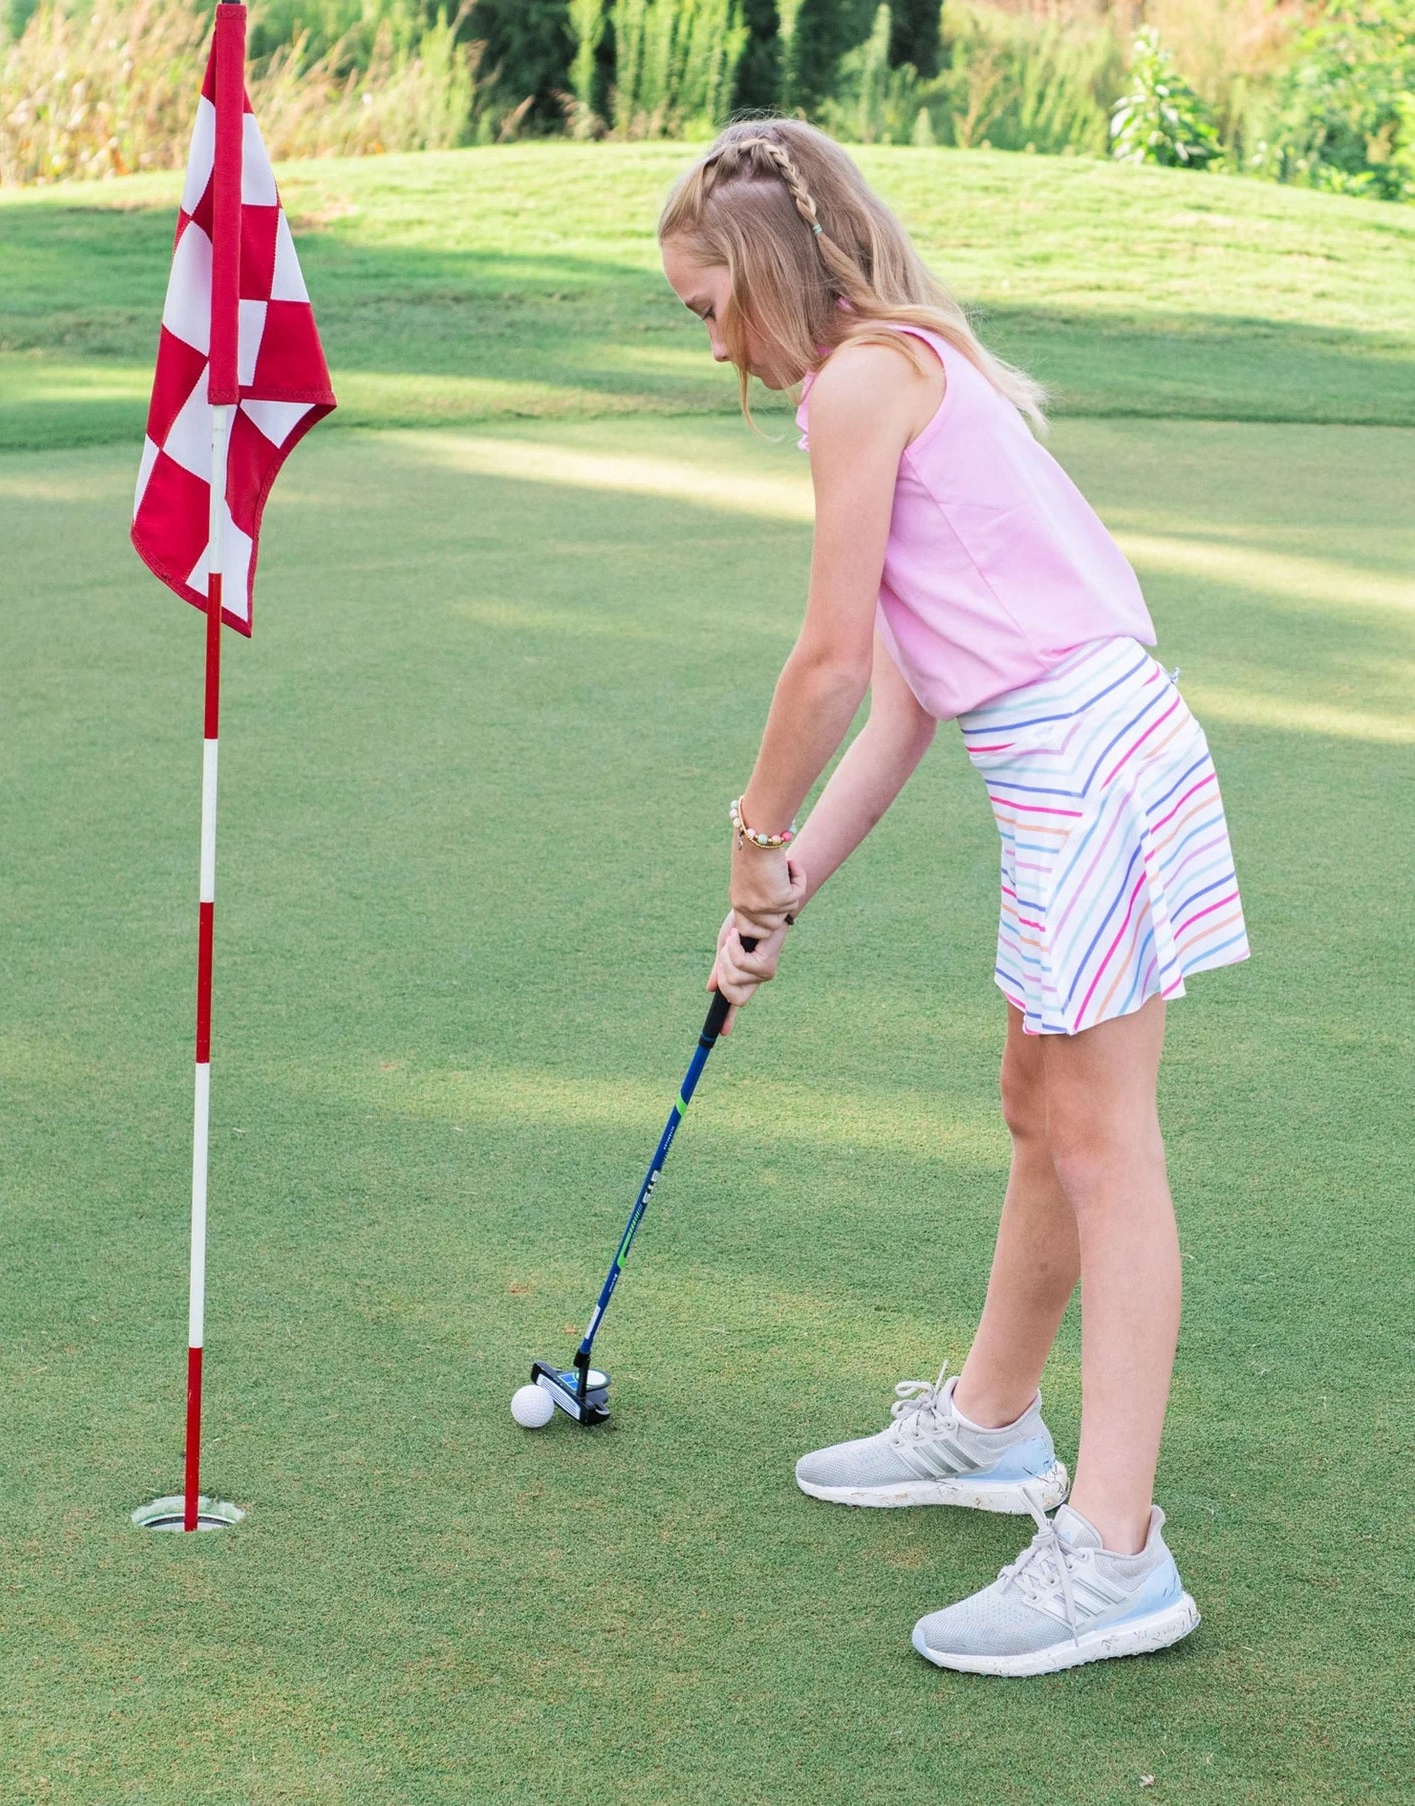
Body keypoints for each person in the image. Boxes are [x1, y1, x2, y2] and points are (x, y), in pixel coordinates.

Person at [658, 119, 1250, 1678]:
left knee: (1103, 1139)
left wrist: (749, 831)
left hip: (1089, 759)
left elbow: (824, 664)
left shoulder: (863, 381)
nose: (709, 342)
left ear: (766, 273)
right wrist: (783, 887)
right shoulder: (906, 370)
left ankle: (1114, 1551)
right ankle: (990, 1423)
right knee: (1037, 1102)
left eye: (707, 304)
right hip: (1077, 757)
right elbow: (903, 703)